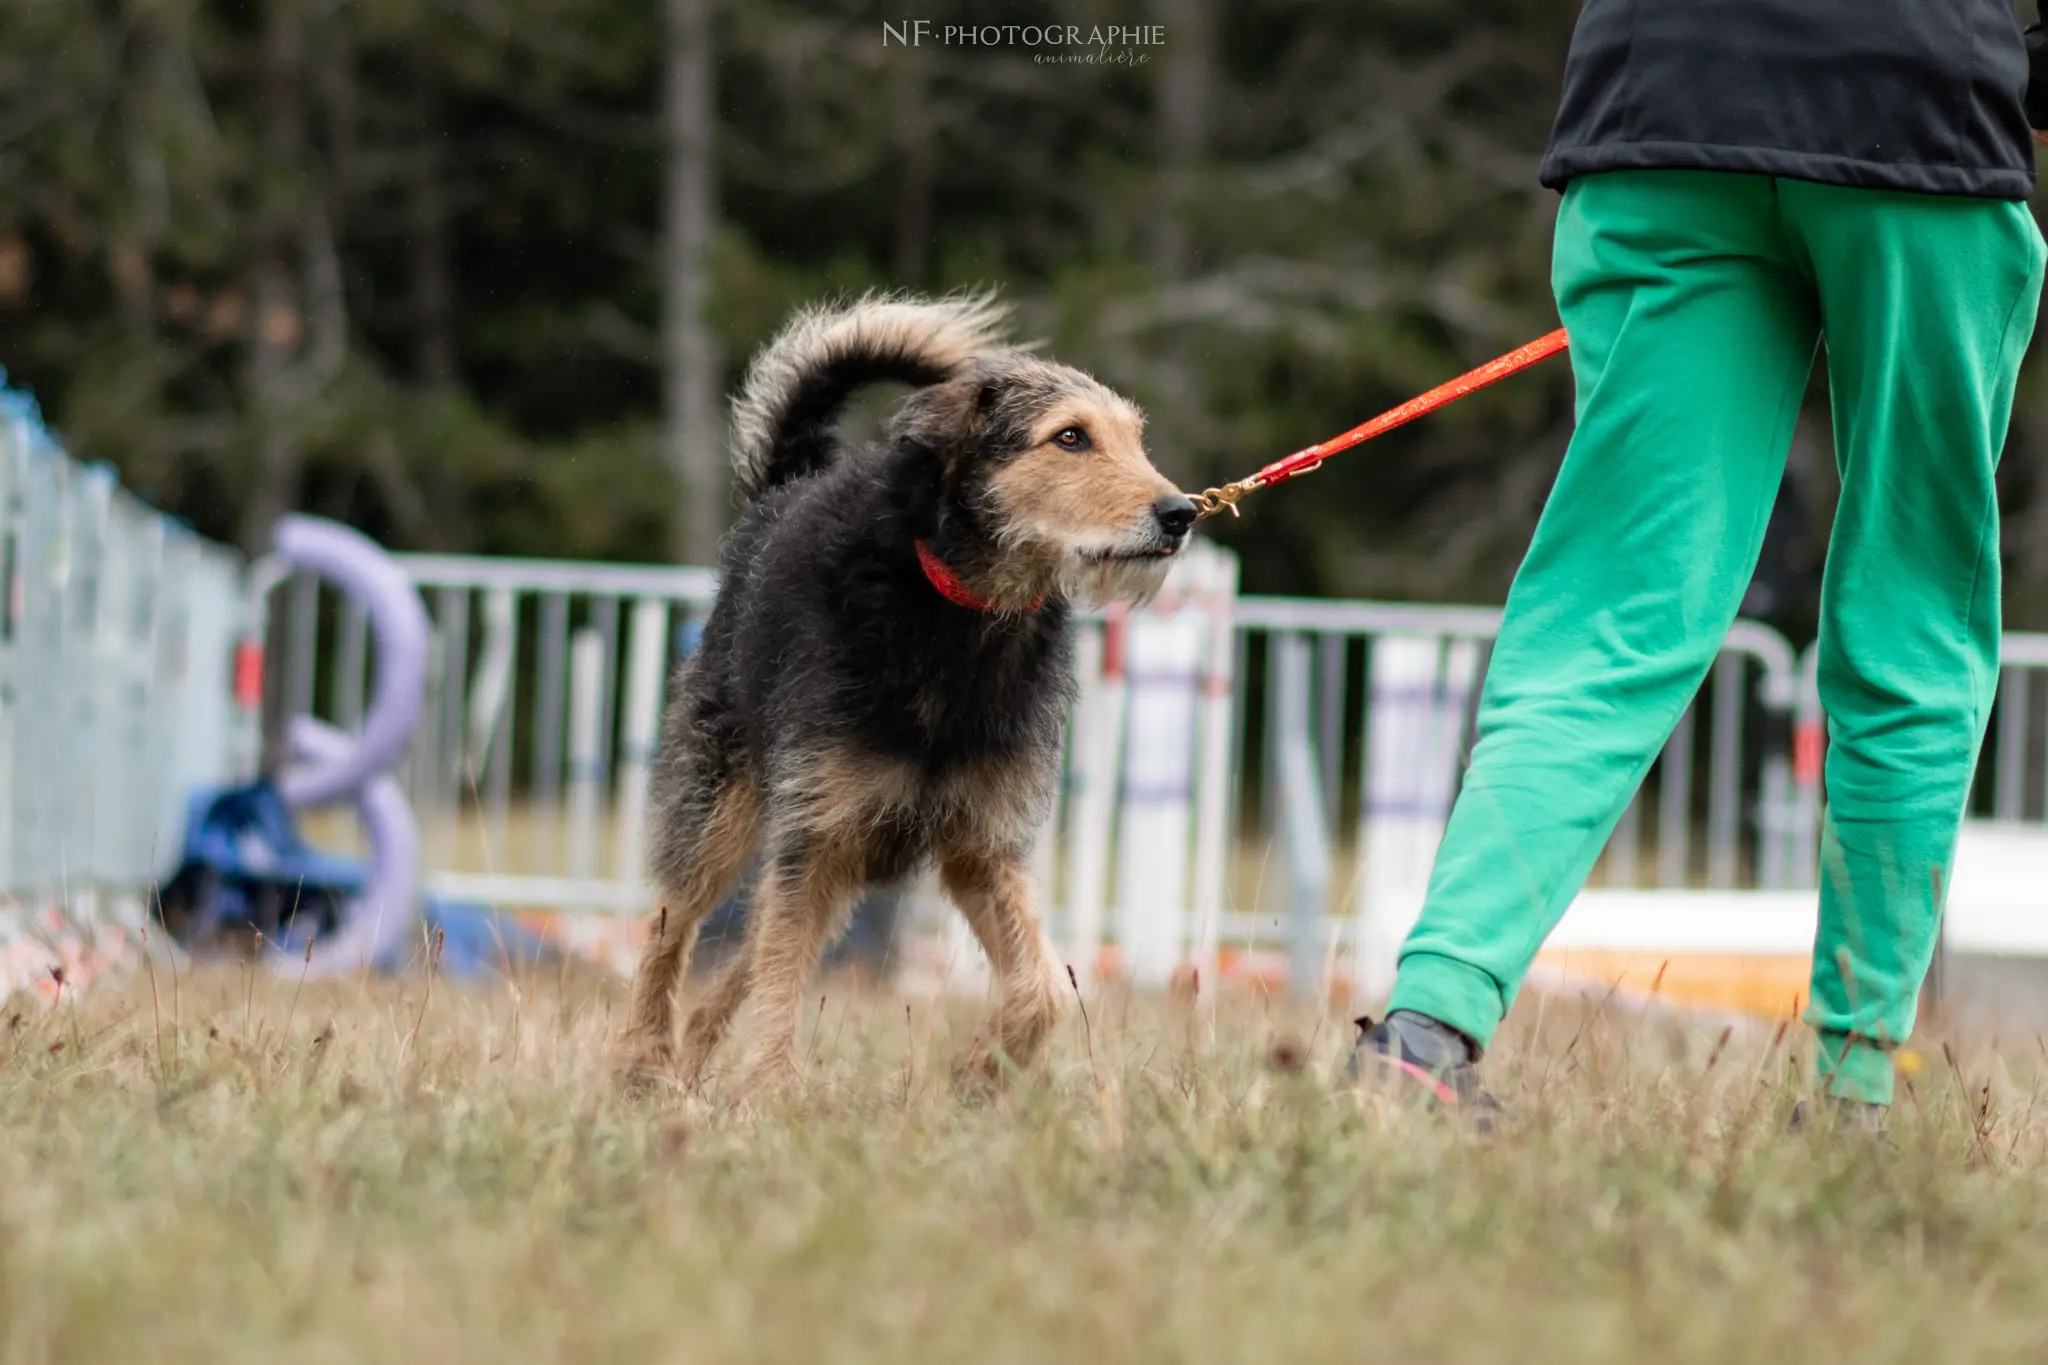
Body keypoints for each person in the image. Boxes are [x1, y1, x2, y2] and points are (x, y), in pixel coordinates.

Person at [1349, 2, 2048, 1127]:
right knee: (1907, 615)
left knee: (1607, 618)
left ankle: (1425, 1024)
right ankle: (1850, 1089)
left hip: (1663, 99)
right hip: (1923, 112)